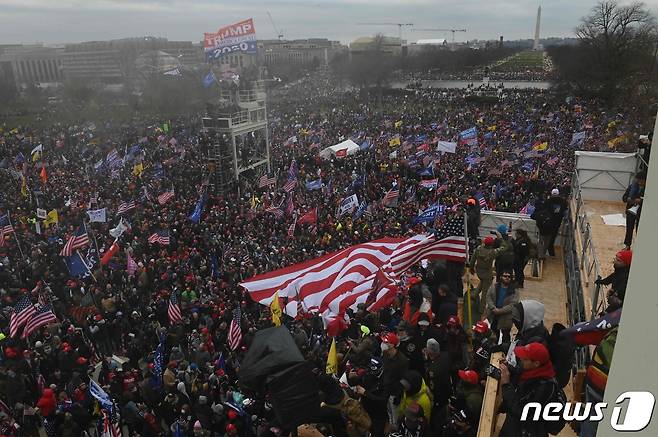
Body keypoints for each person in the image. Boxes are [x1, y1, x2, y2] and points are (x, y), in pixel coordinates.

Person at [499, 342, 563, 437]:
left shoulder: (545, 387)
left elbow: (520, 410)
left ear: (536, 363)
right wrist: (508, 368)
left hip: (529, 430)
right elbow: (520, 374)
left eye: (525, 359)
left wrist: (506, 385)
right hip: (516, 425)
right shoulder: (534, 370)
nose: (521, 359)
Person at [380, 332, 409, 431]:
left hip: (394, 393)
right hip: (386, 390)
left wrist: (398, 395)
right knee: (389, 412)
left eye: (386, 342)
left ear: (392, 345)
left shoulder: (402, 360)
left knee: (395, 417)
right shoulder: (385, 354)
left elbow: (404, 379)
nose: (383, 343)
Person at [423, 338, 452, 431]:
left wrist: (426, 361)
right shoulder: (446, 355)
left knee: (436, 418)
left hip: (437, 397)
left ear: (430, 352)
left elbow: (432, 385)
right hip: (447, 391)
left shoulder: (433, 369)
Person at [485, 269, 519, 344]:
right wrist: (493, 308)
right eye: (505, 276)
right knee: (494, 335)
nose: (507, 278)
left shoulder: (514, 291)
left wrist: (499, 311)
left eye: (509, 277)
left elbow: (513, 305)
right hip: (494, 315)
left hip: (506, 318)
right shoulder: (494, 286)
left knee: (506, 336)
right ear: (501, 277)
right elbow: (488, 297)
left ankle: (504, 351)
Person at [532, 188, 567, 258]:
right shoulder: (563, 202)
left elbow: (539, 213)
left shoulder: (548, 202)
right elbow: (564, 210)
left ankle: (543, 254)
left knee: (543, 241)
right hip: (556, 223)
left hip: (547, 224)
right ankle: (549, 253)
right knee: (550, 239)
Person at [595, 249, 632, 314]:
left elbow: (617, 301)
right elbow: (612, 277)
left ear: (625, 264)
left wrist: (606, 312)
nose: (614, 261)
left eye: (618, 260)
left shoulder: (625, 279)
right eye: (615, 258)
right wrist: (602, 281)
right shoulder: (620, 271)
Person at [468, 236, 498, 313]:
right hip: (487, 272)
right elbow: (502, 249)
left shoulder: (478, 249)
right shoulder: (492, 252)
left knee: (483, 282)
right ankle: (481, 309)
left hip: (479, 271)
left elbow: (472, 260)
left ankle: (474, 295)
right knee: (485, 292)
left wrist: (471, 268)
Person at [622, 171, 646, 248]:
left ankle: (639, 246)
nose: (638, 182)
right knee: (629, 229)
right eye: (637, 180)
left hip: (641, 213)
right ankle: (627, 245)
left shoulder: (648, 189)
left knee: (639, 230)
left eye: (640, 181)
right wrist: (629, 199)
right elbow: (624, 198)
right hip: (631, 211)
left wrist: (641, 201)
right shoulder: (632, 187)